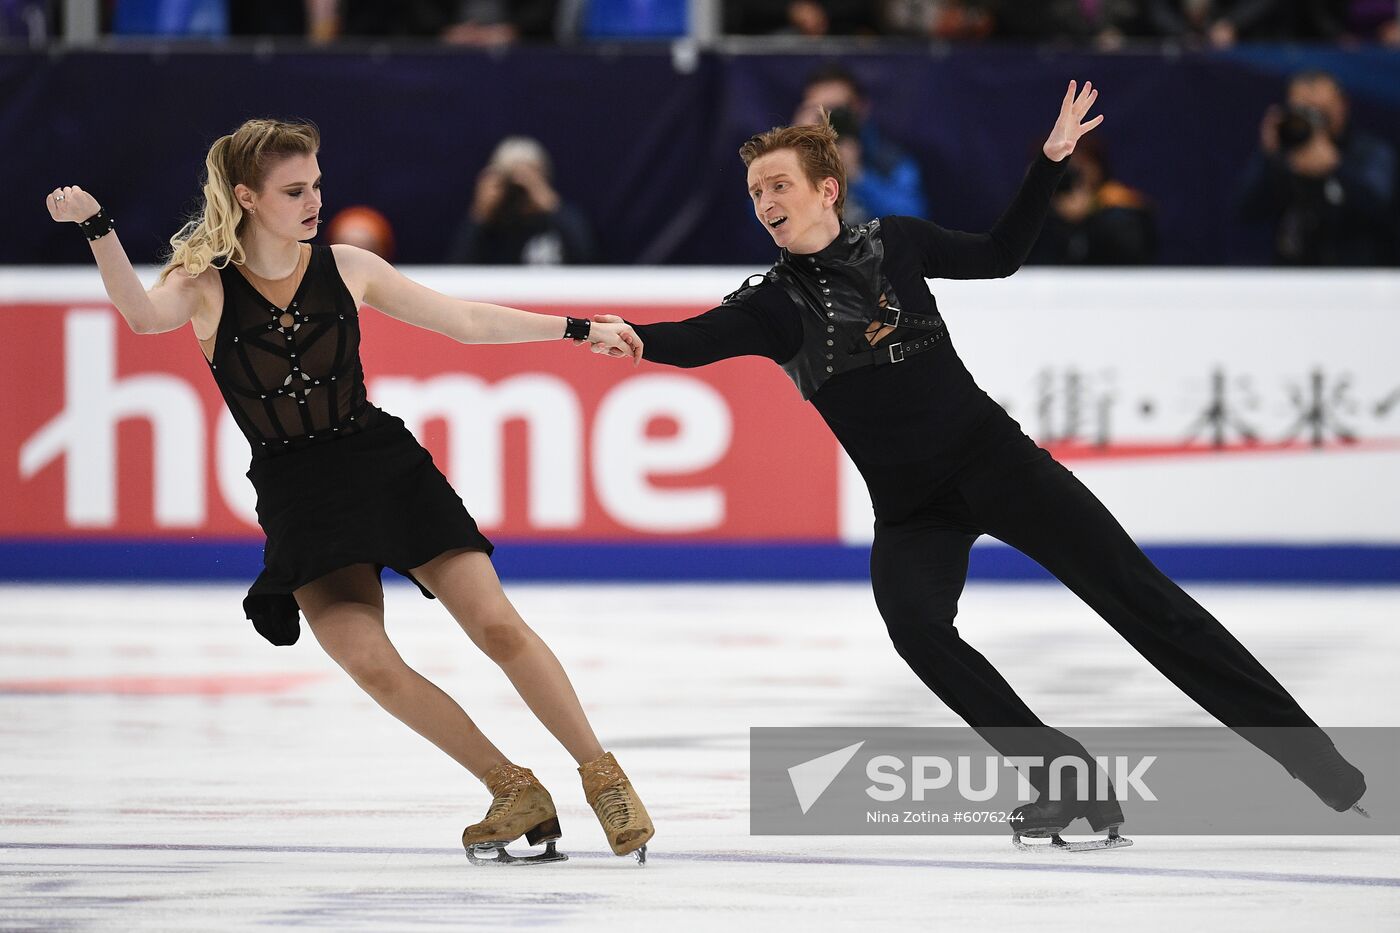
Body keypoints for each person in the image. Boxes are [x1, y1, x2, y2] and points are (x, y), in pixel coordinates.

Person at [591, 82, 1367, 849]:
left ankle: (1322, 767)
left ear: (827, 190)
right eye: (757, 188)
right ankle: (1065, 780)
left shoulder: (896, 241)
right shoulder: (770, 305)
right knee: (918, 627)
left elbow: (999, 255)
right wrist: (622, 335)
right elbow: (689, 340)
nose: (765, 198)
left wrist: (1050, 161)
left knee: (1143, 600)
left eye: (780, 183)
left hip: (997, 464)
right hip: (911, 511)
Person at [44, 118, 652, 866]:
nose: (314, 201)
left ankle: (603, 774)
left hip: (381, 465)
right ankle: (510, 786)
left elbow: (462, 321)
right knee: (367, 658)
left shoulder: (347, 266)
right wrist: (98, 225)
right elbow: (140, 318)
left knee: (496, 624)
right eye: (294, 190)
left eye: (317, 185)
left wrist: (576, 328)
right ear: (246, 197)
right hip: (300, 493)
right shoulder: (202, 288)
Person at [1239, 70, 1397, 266]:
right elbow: (1245, 210)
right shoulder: (1284, 154)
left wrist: (1335, 168)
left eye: (1321, 111)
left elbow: (1383, 208)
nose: (1314, 121)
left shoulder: (1369, 152)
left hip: (1357, 278)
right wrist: (1268, 156)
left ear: (1341, 105)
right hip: (1293, 277)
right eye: (1304, 112)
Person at [793, 64, 928, 222]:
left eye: (837, 109)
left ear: (861, 108)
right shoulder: (792, 153)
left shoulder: (888, 159)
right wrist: (795, 151)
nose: (827, 117)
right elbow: (766, 219)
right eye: (818, 109)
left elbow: (914, 218)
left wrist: (858, 175)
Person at [446, 136, 597, 265]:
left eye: (530, 177)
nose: (519, 188)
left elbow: (589, 261)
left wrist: (550, 205)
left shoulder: (559, 220)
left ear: (544, 178)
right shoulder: (489, 225)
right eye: (510, 180)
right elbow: (458, 270)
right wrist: (479, 213)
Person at [1028, 135, 1157, 265]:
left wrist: (1089, 214)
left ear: (1096, 167)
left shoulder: (1120, 206)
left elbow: (1137, 253)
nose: (1068, 173)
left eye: (1078, 166)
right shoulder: (1031, 210)